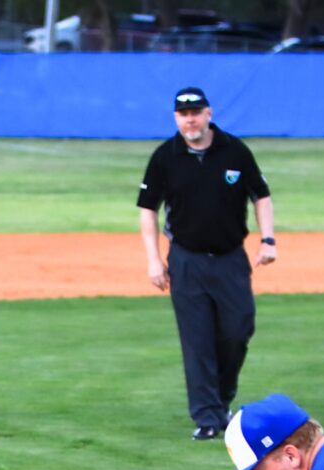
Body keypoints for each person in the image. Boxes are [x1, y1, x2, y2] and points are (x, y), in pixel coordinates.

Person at [137, 86, 277, 441]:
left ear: (209, 114)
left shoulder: (235, 150)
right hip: (186, 260)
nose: (190, 120)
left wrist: (268, 239)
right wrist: (154, 260)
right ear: (175, 118)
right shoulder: (165, 157)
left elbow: (261, 195)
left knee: (237, 331)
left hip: (230, 258)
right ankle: (208, 418)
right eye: (183, 114)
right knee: (197, 340)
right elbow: (147, 209)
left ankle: (222, 399)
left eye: (196, 112)